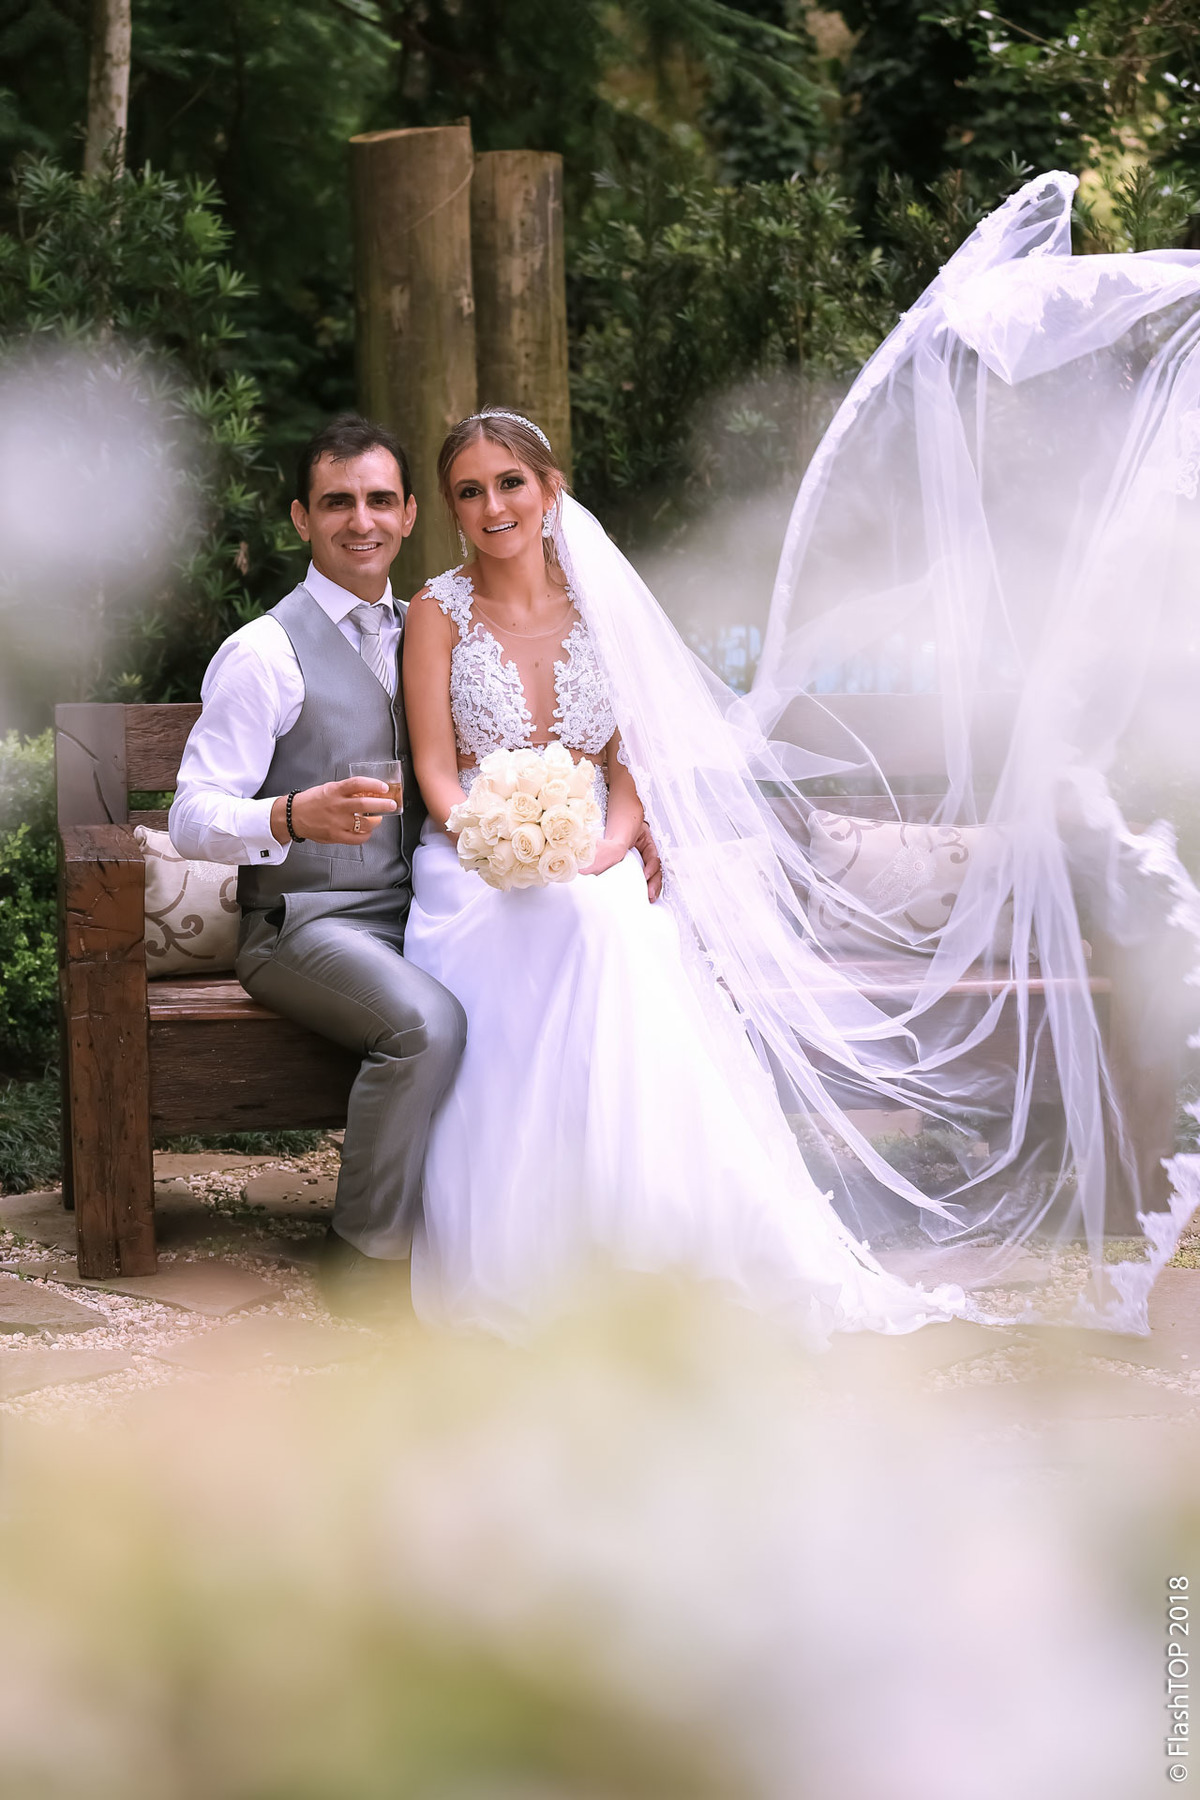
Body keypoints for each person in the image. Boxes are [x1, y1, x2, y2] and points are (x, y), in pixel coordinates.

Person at [400, 407, 967, 1342]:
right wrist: (495, 838)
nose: (493, 504)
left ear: (550, 490)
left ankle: (655, 1233)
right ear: (453, 510)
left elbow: (632, 765)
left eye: (511, 482)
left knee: (615, 924)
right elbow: (432, 769)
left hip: (593, 841)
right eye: (470, 490)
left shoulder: (602, 607)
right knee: (574, 927)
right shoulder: (436, 613)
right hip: (473, 857)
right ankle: (530, 1251)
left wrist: (610, 845)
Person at [169, 414, 469, 1317]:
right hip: (302, 924)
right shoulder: (264, 652)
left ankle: (488, 1236)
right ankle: (362, 1254)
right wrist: (292, 814)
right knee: (428, 1026)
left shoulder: (432, 629)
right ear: (302, 519)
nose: (361, 521)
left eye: (380, 500)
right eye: (338, 502)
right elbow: (190, 814)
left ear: (411, 513)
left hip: (423, 911)